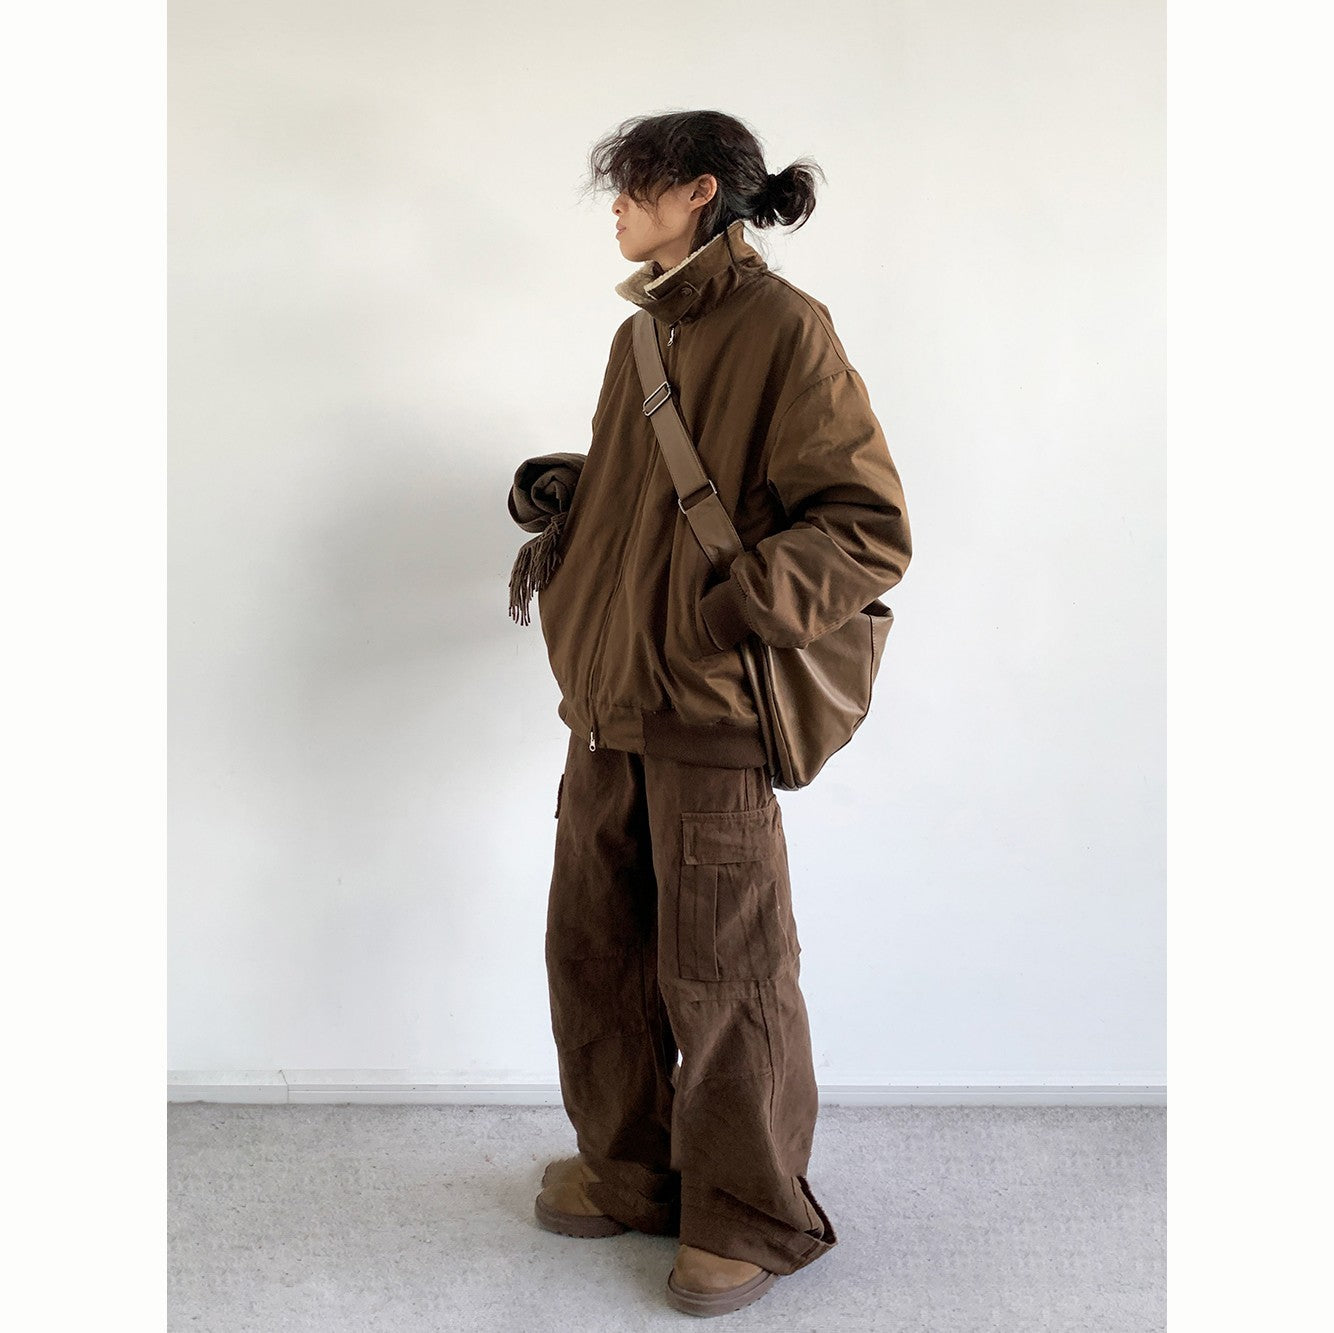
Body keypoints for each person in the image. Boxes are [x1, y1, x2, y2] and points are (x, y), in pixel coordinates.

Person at [508, 110, 912, 1318]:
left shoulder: (784, 327)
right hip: (607, 708)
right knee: (594, 954)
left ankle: (745, 1214)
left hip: (708, 709)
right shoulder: (640, 336)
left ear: (695, 192)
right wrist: (574, 500)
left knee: (724, 976)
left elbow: (864, 525)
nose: (616, 209)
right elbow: (658, 502)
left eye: (633, 189)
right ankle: (631, 1173)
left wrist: (731, 610)